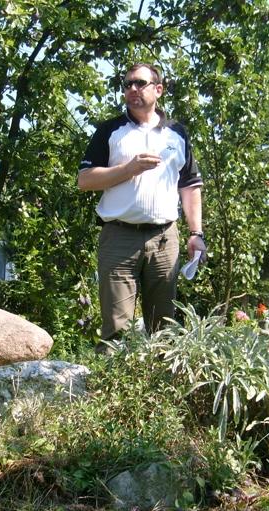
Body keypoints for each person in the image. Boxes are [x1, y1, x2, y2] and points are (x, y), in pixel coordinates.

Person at [78, 63, 206, 352]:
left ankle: (158, 393)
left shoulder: (177, 133)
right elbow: (84, 180)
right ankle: (110, 392)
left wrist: (196, 232)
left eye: (139, 83)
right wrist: (129, 169)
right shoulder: (110, 131)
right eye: (127, 84)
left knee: (164, 330)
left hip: (165, 238)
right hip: (119, 237)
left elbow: (190, 186)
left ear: (158, 89)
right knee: (116, 329)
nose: (132, 89)